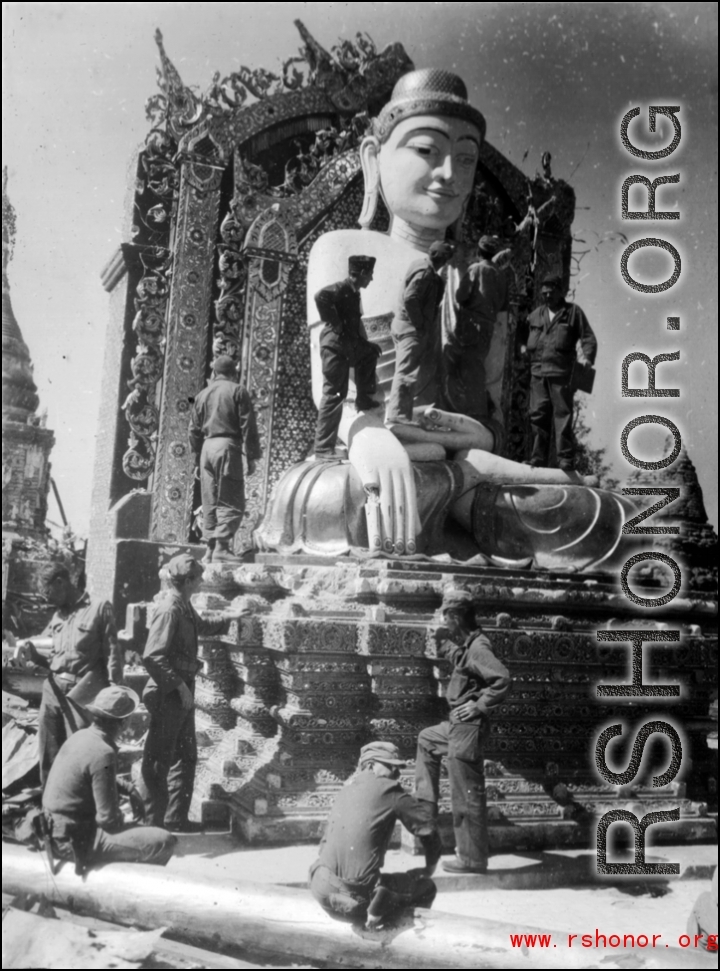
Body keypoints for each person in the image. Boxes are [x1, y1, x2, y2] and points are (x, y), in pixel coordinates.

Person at [138, 553, 244, 833]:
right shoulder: (169, 610)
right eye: (198, 579)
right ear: (186, 581)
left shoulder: (184, 606)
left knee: (186, 756)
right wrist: (180, 686)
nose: (201, 583)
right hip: (170, 692)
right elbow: (152, 656)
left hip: (182, 689)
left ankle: (175, 819)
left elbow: (203, 626)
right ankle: (151, 826)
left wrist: (230, 618)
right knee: (158, 760)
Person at [415, 589, 511, 874]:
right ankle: (426, 813)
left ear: (456, 617)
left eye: (446, 616)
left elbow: (502, 679)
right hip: (458, 726)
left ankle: (471, 859)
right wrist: (440, 640)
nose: (444, 620)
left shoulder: (479, 647)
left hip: (468, 729)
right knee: (427, 740)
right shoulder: (469, 645)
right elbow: (461, 660)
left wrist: (479, 706)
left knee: (466, 792)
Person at [42, 684, 176, 871]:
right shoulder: (104, 752)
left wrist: (127, 788)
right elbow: (107, 820)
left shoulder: (81, 736)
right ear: (125, 722)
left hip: (54, 828)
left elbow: (89, 774)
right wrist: (127, 820)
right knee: (163, 840)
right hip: (72, 839)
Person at [309, 740, 441, 929]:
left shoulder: (345, 789)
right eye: (391, 766)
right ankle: (381, 918)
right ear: (370, 765)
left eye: (398, 768)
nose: (397, 774)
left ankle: (379, 897)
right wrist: (430, 867)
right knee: (427, 887)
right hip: (355, 901)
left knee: (380, 879)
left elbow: (324, 844)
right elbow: (429, 828)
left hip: (319, 885)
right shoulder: (389, 789)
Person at [15, 562, 123, 786]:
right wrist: (31, 653)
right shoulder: (57, 616)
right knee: (49, 753)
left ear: (60, 583)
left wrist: (115, 695)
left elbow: (112, 655)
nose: (46, 599)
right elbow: (50, 658)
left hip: (81, 694)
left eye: (48, 593)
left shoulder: (99, 608)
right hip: (52, 692)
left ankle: (80, 805)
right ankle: (50, 803)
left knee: (79, 754)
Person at [189, 355, 261, 563]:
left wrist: (197, 458)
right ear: (233, 373)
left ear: (215, 372)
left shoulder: (201, 395)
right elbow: (248, 426)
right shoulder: (238, 391)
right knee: (231, 499)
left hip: (207, 449)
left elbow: (193, 430)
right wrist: (252, 456)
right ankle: (221, 548)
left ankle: (209, 550)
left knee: (210, 500)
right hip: (227, 447)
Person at [525, 273, 597, 471]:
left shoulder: (573, 312)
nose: (547, 296)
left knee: (563, 415)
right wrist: (523, 347)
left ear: (560, 292)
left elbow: (588, 337)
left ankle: (565, 459)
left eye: (551, 292)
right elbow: (523, 334)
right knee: (537, 414)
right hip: (538, 372)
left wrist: (588, 358)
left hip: (561, 373)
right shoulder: (535, 314)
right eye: (544, 293)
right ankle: (537, 458)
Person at [313, 255, 381, 458]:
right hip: (334, 347)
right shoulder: (343, 287)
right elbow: (320, 296)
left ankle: (363, 400)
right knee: (334, 394)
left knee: (370, 353)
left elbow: (352, 326)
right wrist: (335, 322)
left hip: (346, 345)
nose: (371, 279)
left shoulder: (354, 292)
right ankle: (323, 448)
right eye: (369, 275)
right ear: (362, 273)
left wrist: (367, 345)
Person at [385, 240, 455, 426]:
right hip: (410, 329)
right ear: (442, 260)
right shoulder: (426, 273)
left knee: (404, 371)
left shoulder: (419, 265)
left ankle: (400, 414)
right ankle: (397, 416)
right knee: (406, 373)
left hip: (402, 325)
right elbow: (410, 298)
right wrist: (421, 324)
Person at [447, 235, 510, 422]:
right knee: (476, 364)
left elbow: (461, 296)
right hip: (488, 327)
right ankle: (477, 410)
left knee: (471, 367)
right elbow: (503, 305)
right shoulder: (501, 275)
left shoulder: (476, 269)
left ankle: (476, 413)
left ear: (479, 252)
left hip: (472, 324)